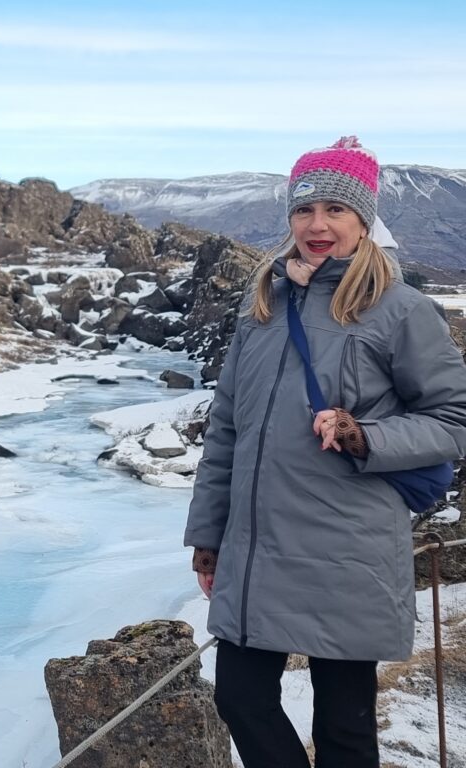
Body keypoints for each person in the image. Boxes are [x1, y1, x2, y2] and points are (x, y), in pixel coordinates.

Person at [183, 136, 466, 768]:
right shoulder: (261, 308)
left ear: (363, 220)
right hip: (257, 548)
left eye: (335, 210)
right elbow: (225, 430)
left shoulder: (400, 310)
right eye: (304, 210)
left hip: (347, 550)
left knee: (344, 729)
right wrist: (208, 536)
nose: (317, 225)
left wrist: (366, 435)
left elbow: (453, 419)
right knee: (240, 699)